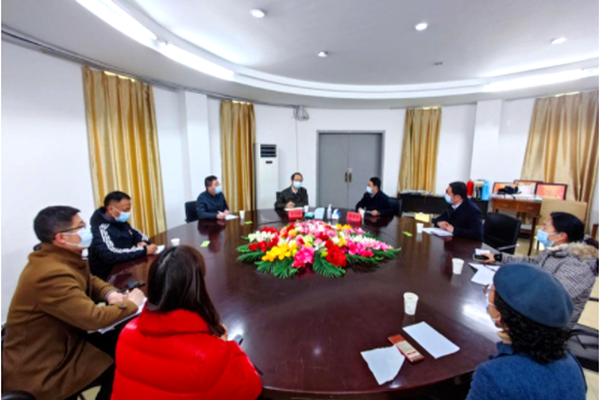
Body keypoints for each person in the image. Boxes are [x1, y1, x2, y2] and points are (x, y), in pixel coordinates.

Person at [2, 206, 145, 400]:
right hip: (44, 366)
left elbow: (89, 280)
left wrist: (110, 293)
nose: (87, 231)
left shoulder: (61, 258)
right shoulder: (50, 274)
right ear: (61, 238)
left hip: (65, 343)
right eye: (80, 227)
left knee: (123, 342)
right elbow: (93, 319)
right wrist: (131, 304)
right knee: (119, 364)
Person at [111, 245, 263, 400]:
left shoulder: (126, 334)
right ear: (197, 290)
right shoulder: (209, 355)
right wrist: (227, 346)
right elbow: (251, 387)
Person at [466, 263, 586, 400]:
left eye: (489, 290)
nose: (488, 296)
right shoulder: (572, 363)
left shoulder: (493, 376)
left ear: (501, 315)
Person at [483, 212, 599, 329]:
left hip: (550, 325)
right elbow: (533, 262)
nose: (541, 230)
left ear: (561, 236)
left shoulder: (579, 264)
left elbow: (553, 299)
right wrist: (500, 258)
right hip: (534, 309)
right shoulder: (556, 249)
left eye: (545, 227)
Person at [88, 191, 157, 281]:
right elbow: (111, 255)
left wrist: (142, 242)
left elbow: (137, 234)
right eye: (125, 210)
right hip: (108, 279)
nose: (128, 213)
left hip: (126, 272)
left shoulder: (120, 221)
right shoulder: (99, 229)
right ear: (111, 209)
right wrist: (143, 250)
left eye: (129, 209)